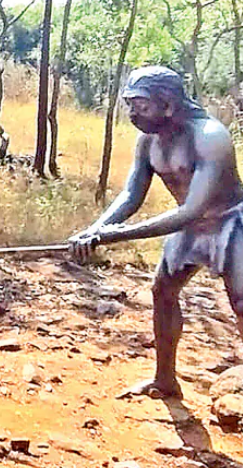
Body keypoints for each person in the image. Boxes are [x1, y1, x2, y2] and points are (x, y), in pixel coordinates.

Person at [70, 66, 243, 399]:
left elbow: (190, 209)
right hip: (190, 227)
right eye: (130, 105)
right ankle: (165, 380)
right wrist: (95, 229)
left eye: (142, 106)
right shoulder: (147, 142)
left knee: (242, 304)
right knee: (163, 292)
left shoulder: (210, 137)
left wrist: (114, 236)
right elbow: (132, 194)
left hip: (231, 223)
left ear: (169, 105)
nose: (134, 114)